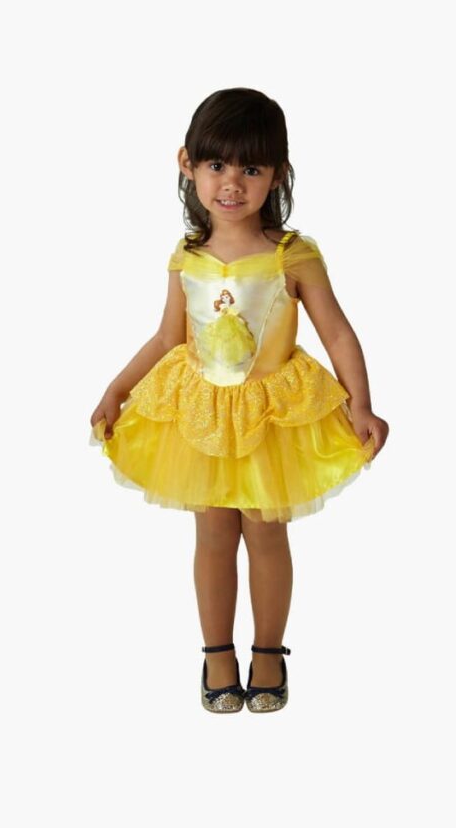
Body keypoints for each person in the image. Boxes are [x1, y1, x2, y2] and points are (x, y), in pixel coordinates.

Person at [89, 87, 389, 714]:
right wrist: (117, 389)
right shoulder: (186, 256)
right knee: (213, 534)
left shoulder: (292, 255)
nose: (232, 182)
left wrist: (361, 403)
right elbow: (168, 338)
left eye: (251, 168)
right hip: (202, 414)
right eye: (216, 164)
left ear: (277, 174)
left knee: (265, 532)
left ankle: (269, 652)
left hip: (271, 416)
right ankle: (217, 653)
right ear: (187, 164)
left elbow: (337, 332)